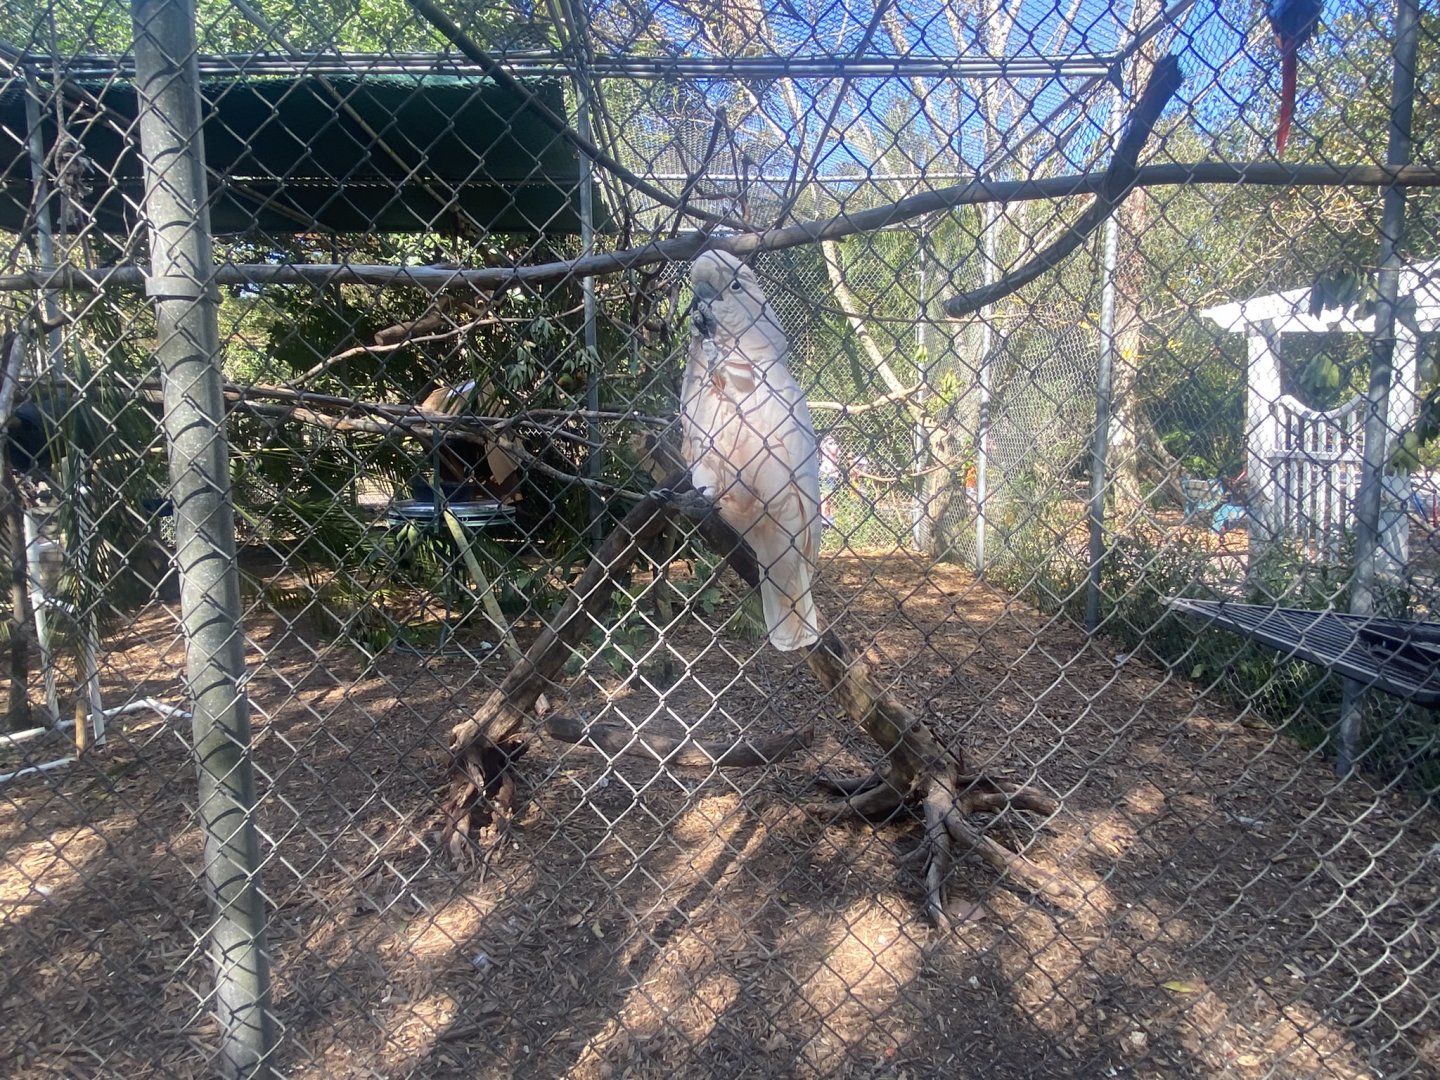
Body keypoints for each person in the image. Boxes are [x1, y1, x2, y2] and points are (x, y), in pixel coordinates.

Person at [818, 435, 840, 527]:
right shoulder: (825, 457)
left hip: (831, 474)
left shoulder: (835, 455)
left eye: (834, 443)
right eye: (831, 443)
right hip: (827, 472)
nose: (835, 445)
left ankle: (827, 516)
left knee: (828, 496)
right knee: (825, 495)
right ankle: (824, 516)